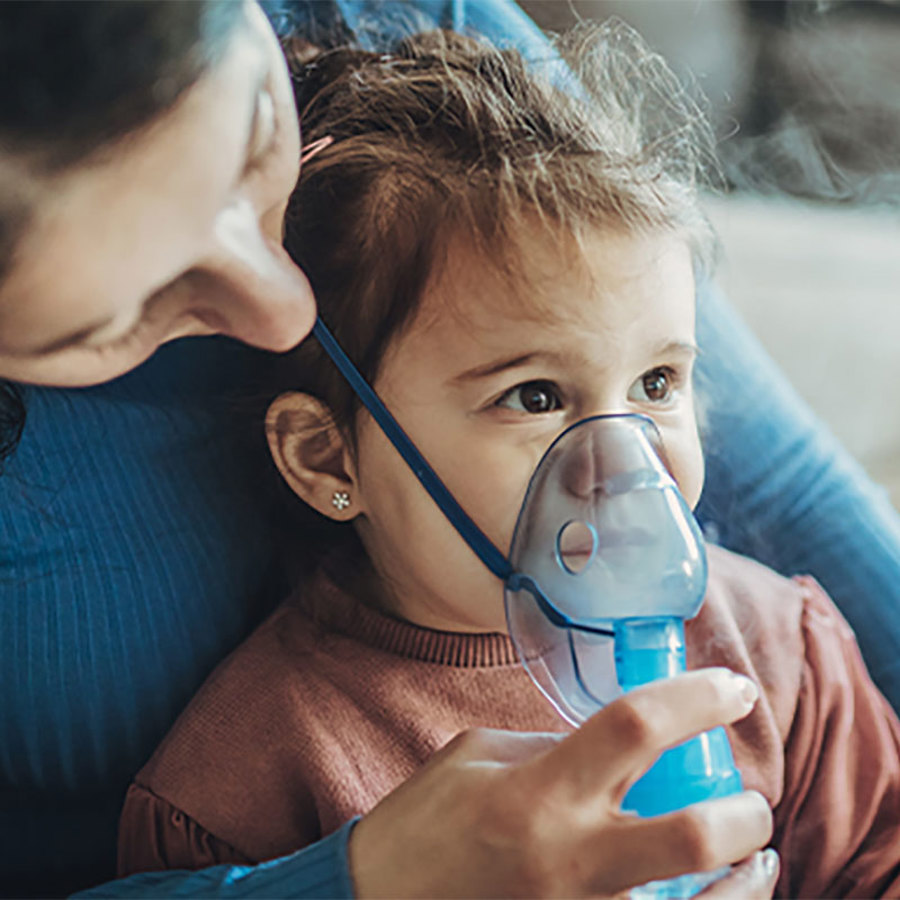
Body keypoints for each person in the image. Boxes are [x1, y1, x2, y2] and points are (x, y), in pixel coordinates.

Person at [0, 1, 896, 897]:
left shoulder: (780, 650)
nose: (626, 468)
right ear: (327, 460)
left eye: (657, 385)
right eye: (535, 398)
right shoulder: (256, 778)